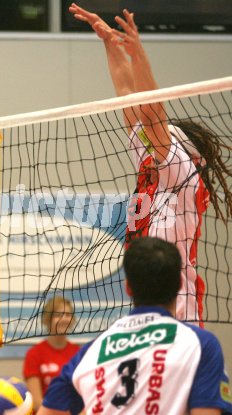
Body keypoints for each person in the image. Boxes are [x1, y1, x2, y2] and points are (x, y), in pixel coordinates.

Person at [69, 3, 232, 323]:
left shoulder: (183, 171)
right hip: (147, 307)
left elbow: (152, 112)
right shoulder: (151, 166)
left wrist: (138, 54)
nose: (150, 138)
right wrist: (109, 43)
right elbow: (129, 97)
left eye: (159, 137)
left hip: (179, 312)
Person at [38, 236, 232, 415]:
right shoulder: (201, 345)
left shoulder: (90, 352)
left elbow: (47, 412)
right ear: (181, 284)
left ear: (127, 287)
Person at [23, 296, 80, 412]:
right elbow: (36, 402)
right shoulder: (34, 354)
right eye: (58, 315)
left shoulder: (78, 353)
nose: (64, 319)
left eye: (68, 315)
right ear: (48, 319)